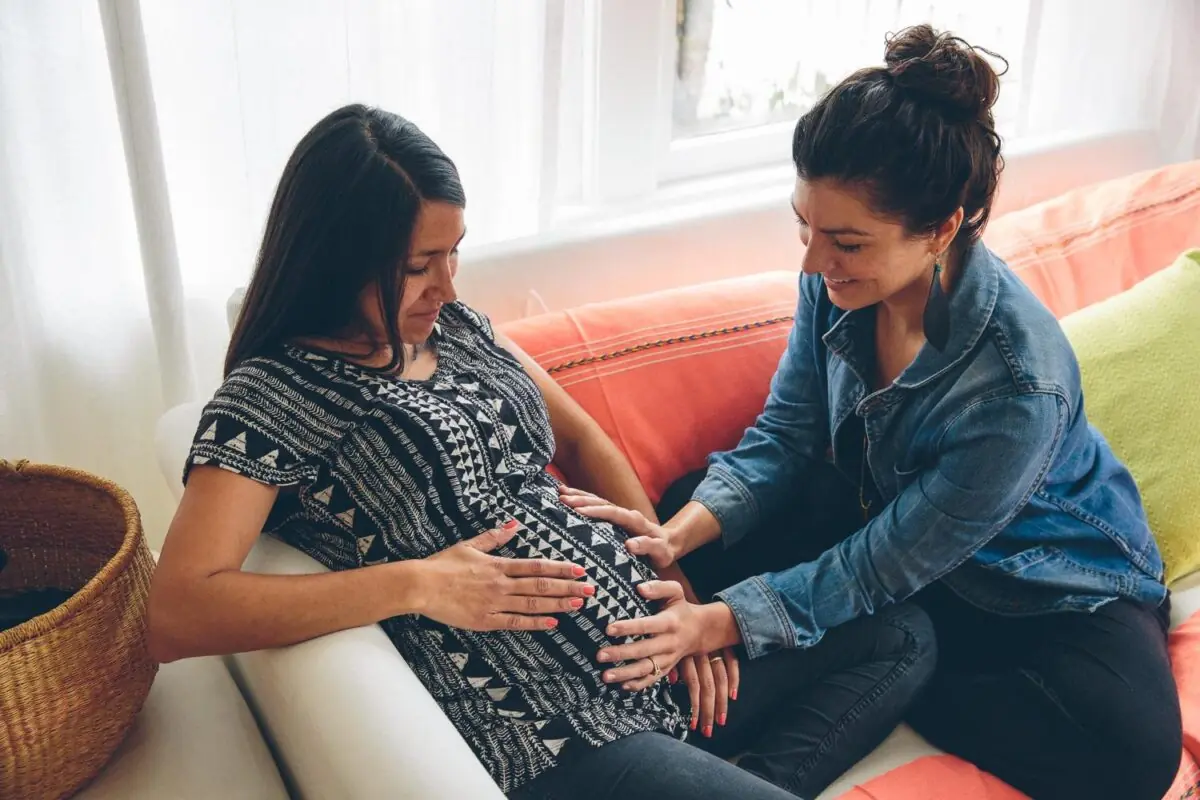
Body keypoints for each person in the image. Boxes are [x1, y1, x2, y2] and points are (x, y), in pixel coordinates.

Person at [146, 103, 935, 800]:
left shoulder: (458, 329)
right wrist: (417, 584)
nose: (447, 287)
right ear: (335, 258)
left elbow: (582, 439)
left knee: (903, 634)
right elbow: (177, 612)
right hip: (553, 729)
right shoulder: (275, 395)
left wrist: (675, 593)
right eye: (417, 267)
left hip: (654, 661)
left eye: (453, 253)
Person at [564, 24, 1182, 800]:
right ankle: (884, 647)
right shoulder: (832, 282)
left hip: (1037, 587)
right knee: (690, 504)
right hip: (887, 522)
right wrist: (677, 535)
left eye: (847, 243)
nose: (813, 261)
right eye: (805, 226)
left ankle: (896, 658)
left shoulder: (1020, 388)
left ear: (942, 228)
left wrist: (721, 622)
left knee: (1131, 757)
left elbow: (878, 566)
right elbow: (786, 435)